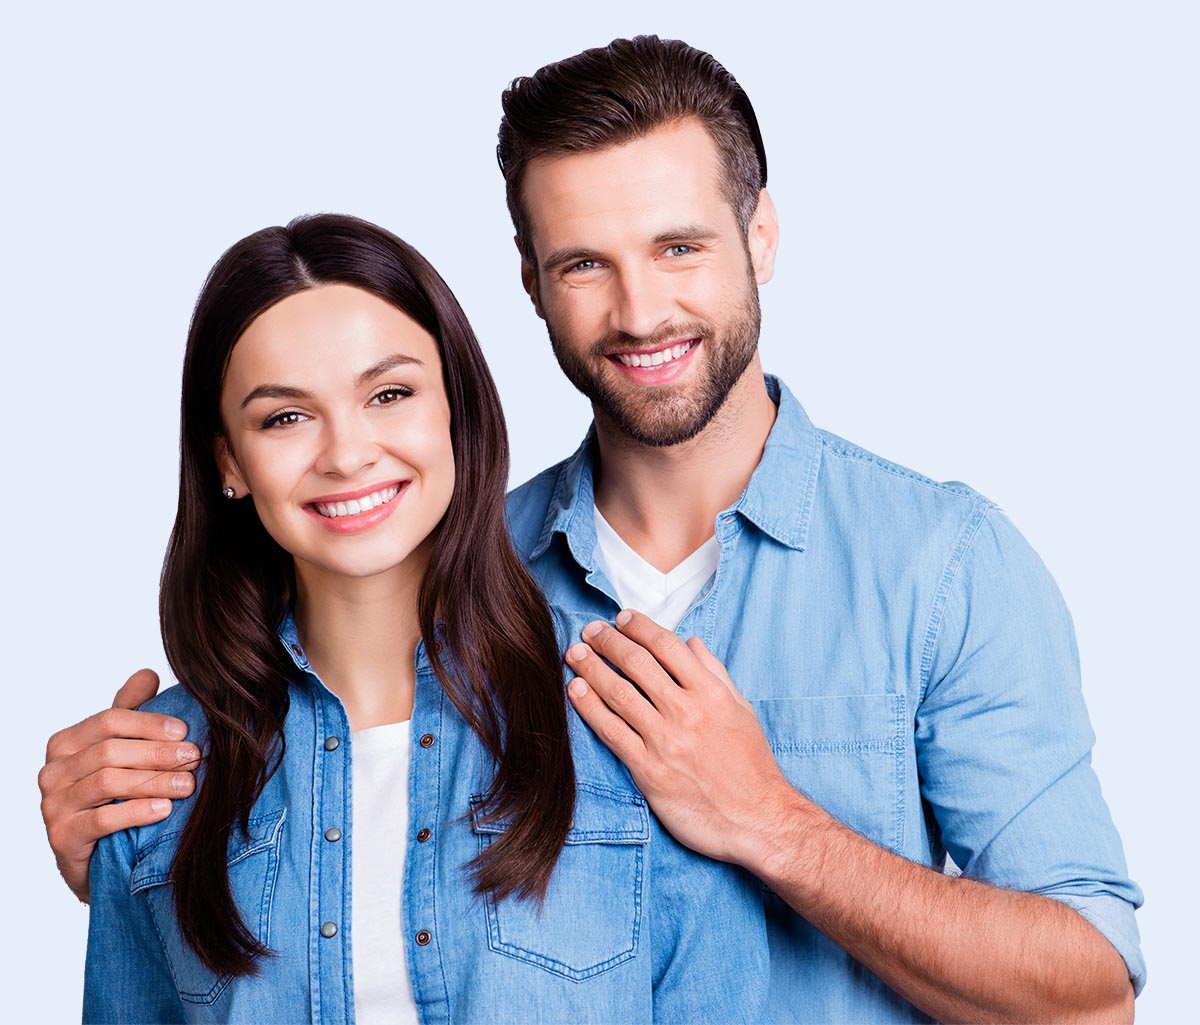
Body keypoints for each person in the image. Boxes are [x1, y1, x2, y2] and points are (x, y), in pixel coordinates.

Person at [43, 36, 1142, 1024]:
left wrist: (768, 818)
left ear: (761, 234)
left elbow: (1089, 993)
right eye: (583, 264)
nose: (640, 311)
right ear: (529, 281)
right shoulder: (450, 577)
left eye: (679, 247)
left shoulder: (940, 561)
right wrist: (137, 830)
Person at [79, 213, 768, 1024]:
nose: (347, 452)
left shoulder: (630, 721)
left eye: (390, 394)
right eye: (285, 417)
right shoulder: (154, 781)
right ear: (229, 459)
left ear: (455, 410)